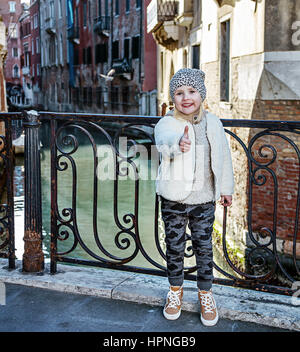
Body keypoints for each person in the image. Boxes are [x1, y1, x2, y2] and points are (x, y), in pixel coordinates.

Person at [154, 68, 234, 327]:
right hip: (173, 199)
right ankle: (175, 291)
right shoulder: (167, 123)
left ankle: (205, 294)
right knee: (174, 247)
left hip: (204, 199)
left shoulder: (214, 123)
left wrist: (226, 189)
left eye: (192, 91)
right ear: (172, 98)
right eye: (179, 93)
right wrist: (179, 144)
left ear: (202, 95)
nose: (186, 98)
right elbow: (163, 141)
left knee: (204, 248)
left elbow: (222, 158)